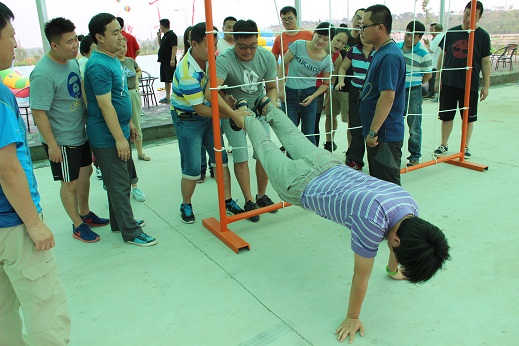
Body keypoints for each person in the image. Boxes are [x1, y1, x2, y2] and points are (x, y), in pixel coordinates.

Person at [227, 95, 450, 345]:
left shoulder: (409, 204)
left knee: (293, 137)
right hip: (300, 185)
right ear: (396, 240)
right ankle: (244, 111)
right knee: (264, 147)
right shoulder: (372, 224)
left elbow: (402, 238)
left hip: (329, 165)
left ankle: (266, 107)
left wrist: (391, 269)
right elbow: (360, 276)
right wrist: (353, 317)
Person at [0, 3, 71, 344]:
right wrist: (33, 222)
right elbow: (7, 167)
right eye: (11, 35)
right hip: (12, 223)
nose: (15, 44)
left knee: (2, 314)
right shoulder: (0, 97)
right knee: (44, 307)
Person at [30, 17, 109, 243]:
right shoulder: (43, 73)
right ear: (54, 45)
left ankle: (85, 213)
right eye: (69, 42)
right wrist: (52, 145)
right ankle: (77, 225)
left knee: (86, 173)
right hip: (62, 141)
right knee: (70, 182)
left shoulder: (72, 62)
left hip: (80, 134)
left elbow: (80, 93)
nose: (76, 45)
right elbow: (38, 112)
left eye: (76, 39)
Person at [85, 12, 157, 246]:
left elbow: (119, 97)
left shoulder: (112, 60)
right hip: (106, 136)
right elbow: (105, 105)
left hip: (119, 130)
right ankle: (131, 231)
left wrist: (129, 124)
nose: (120, 36)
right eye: (114, 32)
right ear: (99, 37)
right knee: (119, 184)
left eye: (120, 31)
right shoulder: (98, 66)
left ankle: (120, 222)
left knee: (120, 181)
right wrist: (119, 138)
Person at [170, 22, 250, 224]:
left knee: (221, 161)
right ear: (193, 43)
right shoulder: (187, 71)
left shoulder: (211, 59)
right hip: (188, 119)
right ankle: (186, 204)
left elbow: (214, 89)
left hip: (209, 117)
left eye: (215, 44)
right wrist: (232, 114)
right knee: (193, 167)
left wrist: (225, 99)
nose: (213, 49)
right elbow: (200, 109)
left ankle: (227, 201)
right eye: (208, 45)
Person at [216, 19, 279, 222]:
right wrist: (233, 113)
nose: (248, 52)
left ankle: (262, 195)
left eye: (252, 46)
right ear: (233, 41)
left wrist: (270, 105)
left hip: (257, 112)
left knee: (264, 154)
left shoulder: (266, 57)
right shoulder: (224, 59)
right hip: (234, 113)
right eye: (242, 47)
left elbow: (271, 87)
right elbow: (212, 93)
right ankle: (249, 199)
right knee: (241, 156)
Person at [433, 1, 490, 159]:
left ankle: (465, 146)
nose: (467, 18)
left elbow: (485, 62)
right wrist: (438, 79)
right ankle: (443, 144)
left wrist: (486, 85)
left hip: (470, 84)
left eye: (473, 16)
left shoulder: (483, 36)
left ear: (479, 18)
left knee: (468, 117)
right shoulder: (451, 33)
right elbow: (442, 56)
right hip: (449, 82)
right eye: (466, 14)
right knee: (446, 115)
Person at [358, 5, 406, 185]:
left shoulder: (389, 56)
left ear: (380, 27)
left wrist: (373, 131)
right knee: (380, 184)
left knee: (389, 189)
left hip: (383, 135)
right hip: (379, 134)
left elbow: (387, 97)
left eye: (364, 26)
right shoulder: (381, 52)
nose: (361, 30)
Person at [281, 22, 333, 146]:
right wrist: (280, 88)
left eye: (325, 39)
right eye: (319, 36)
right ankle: (292, 163)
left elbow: (326, 83)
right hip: (289, 93)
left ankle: (312, 163)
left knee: (309, 133)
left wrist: (313, 97)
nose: (320, 41)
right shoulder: (298, 45)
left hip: (309, 95)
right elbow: (283, 64)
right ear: (314, 34)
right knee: (290, 133)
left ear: (329, 41)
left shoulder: (327, 60)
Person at [323, 9, 363, 153]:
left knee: (350, 123)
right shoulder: (344, 38)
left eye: (363, 19)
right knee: (329, 115)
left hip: (350, 89)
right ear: (353, 18)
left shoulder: (363, 40)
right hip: (333, 86)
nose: (360, 21)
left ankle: (350, 151)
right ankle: (329, 143)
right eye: (358, 17)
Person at [336, 26, 374, 172]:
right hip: (355, 92)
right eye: (361, 33)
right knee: (356, 128)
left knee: (373, 128)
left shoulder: (379, 51)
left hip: (372, 94)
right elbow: (343, 67)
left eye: (366, 32)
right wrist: (341, 81)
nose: (363, 35)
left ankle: (374, 161)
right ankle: (356, 161)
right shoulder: (353, 50)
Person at [116, 38, 148, 203]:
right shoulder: (111, 63)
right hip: (119, 98)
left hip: (131, 94)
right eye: (119, 45)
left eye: (124, 46)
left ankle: (140, 151)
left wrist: (135, 78)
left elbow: (138, 70)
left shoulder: (130, 61)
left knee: (135, 124)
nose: (122, 48)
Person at [397, 21, 432, 167]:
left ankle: (414, 156)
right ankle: (395, 154)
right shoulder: (396, 48)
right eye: (407, 34)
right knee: (395, 123)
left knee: (414, 126)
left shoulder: (423, 53)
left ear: (419, 37)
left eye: (413, 36)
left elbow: (428, 75)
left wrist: (414, 83)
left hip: (414, 92)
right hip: (397, 91)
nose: (409, 39)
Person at [271, 6, 313, 106]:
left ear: (296, 18)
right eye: (284, 20)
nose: (287, 22)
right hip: (287, 83)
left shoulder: (308, 34)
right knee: (290, 118)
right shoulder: (279, 39)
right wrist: (279, 74)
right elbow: (274, 59)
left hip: (307, 82)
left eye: (290, 18)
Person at [315, 26, 349, 149]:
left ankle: (326, 143)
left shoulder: (338, 57)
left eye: (343, 43)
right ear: (331, 38)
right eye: (337, 40)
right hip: (306, 86)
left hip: (320, 90)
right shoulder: (317, 47)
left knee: (317, 120)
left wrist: (327, 98)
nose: (339, 44)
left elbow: (332, 80)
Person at [156, 18, 178, 104]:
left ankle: (175, 95)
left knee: (171, 79)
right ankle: (167, 96)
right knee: (166, 80)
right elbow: (161, 45)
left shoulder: (172, 35)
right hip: (163, 61)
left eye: (160, 26)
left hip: (169, 61)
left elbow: (174, 47)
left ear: (162, 26)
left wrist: (172, 59)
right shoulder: (165, 36)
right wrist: (159, 37)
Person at [423, 23, 444, 100]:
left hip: (435, 62)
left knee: (433, 79)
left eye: (432, 30)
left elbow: (431, 50)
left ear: (435, 30)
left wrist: (427, 44)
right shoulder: (444, 35)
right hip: (441, 62)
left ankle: (432, 93)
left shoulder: (437, 38)